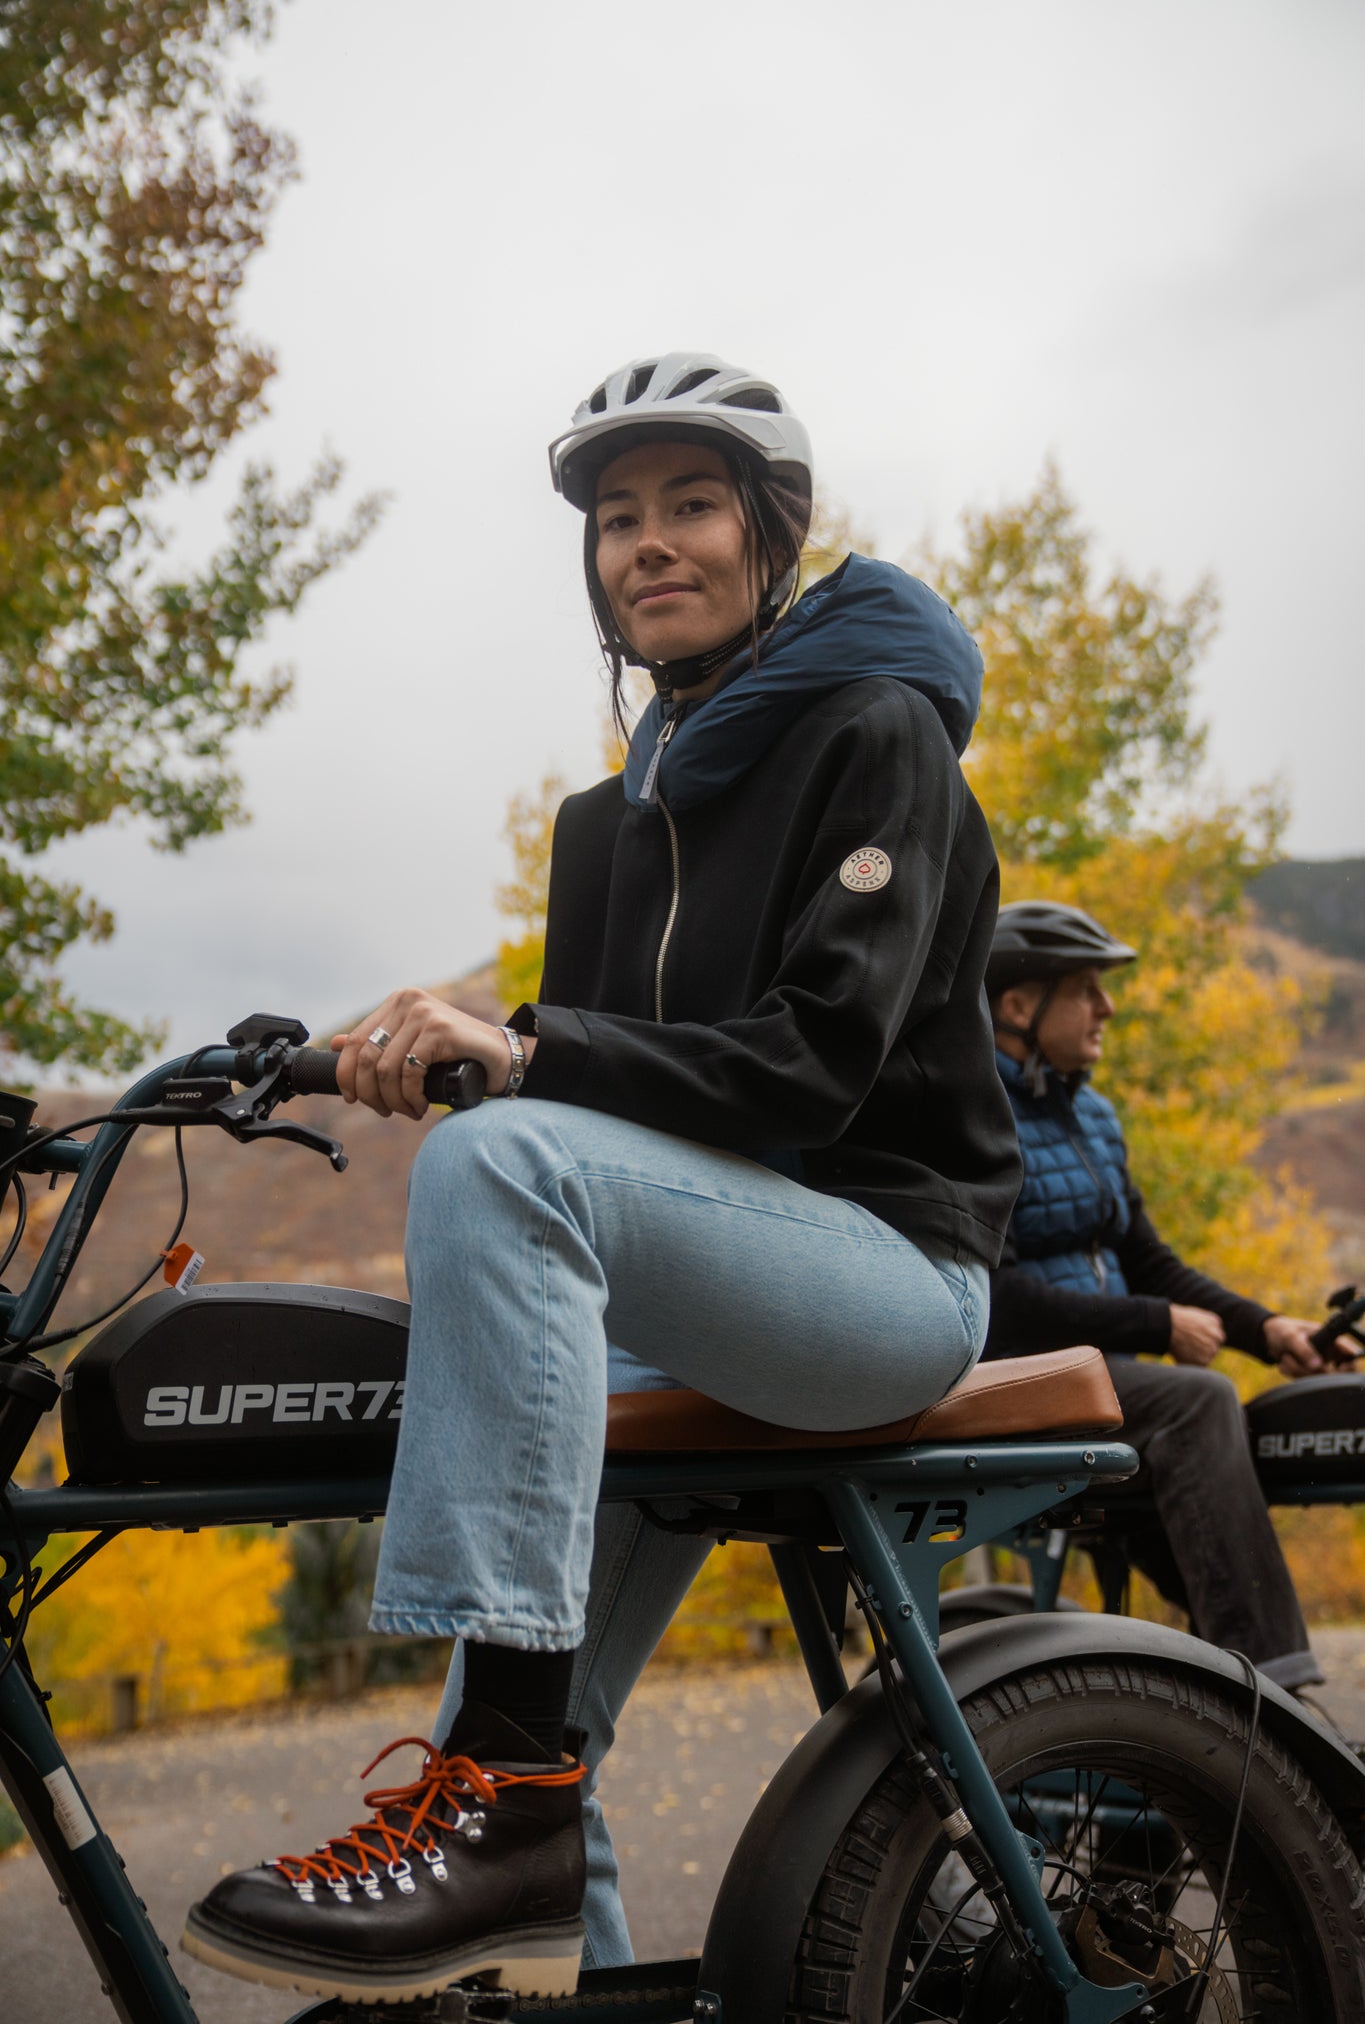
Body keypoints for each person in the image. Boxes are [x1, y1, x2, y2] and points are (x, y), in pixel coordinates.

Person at [183, 352, 1022, 2003]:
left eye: (692, 504)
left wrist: (520, 1058)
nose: (650, 543)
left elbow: (803, 1067)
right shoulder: (601, 821)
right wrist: (394, 1056)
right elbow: (603, 1098)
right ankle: (516, 1814)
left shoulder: (878, 735)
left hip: (887, 1273)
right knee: (526, 1753)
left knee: (508, 1155)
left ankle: (504, 1796)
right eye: (617, 517)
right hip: (695, 1294)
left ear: (770, 533)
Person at [985, 898, 1347, 1691]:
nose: (1106, 1007)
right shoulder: (975, 1115)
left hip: (1106, 1386)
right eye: (1085, 987)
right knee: (1196, 1403)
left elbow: (1148, 1259)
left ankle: (1212, 1717)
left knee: (1240, 1426)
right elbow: (997, 1302)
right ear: (1016, 1005)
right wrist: (1156, 1325)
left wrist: (1267, 1328)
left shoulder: (1092, 1116)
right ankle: (1273, 1696)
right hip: (1018, 1383)